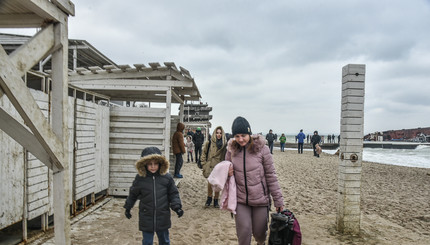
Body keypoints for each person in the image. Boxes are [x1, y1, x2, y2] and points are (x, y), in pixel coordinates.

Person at [226, 116, 284, 245]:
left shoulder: (263, 149)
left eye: (243, 135)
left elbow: (271, 176)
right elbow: (224, 171)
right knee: (244, 234)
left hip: (260, 199)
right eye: (237, 136)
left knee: (260, 235)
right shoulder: (231, 150)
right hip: (240, 200)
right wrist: (227, 173)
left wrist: (278, 200)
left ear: (249, 133)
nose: (240, 139)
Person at [124, 147, 184, 245]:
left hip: (162, 216)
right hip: (146, 216)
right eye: (150, 164)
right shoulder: (140, 179)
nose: (153, 167)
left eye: (155, 163)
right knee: (147, 242)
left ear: (160, 164)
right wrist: (128, 207)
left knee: (164, 240)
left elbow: (173, 194)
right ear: (144, 164)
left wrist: (177, 207)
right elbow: (133, 194)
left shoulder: (167, 178)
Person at [200, 126, 227, 208]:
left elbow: (226, 156)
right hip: (210, 165)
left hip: (219, 165)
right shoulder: (209, 143)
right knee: (210, 182)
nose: (218, 135)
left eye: (220, 133)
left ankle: (216, 200)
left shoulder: (224, 144)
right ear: (215, 133)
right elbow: (204, 152)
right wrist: (203, 163)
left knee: (217, 183)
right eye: (217, 133)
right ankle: (209, 198)